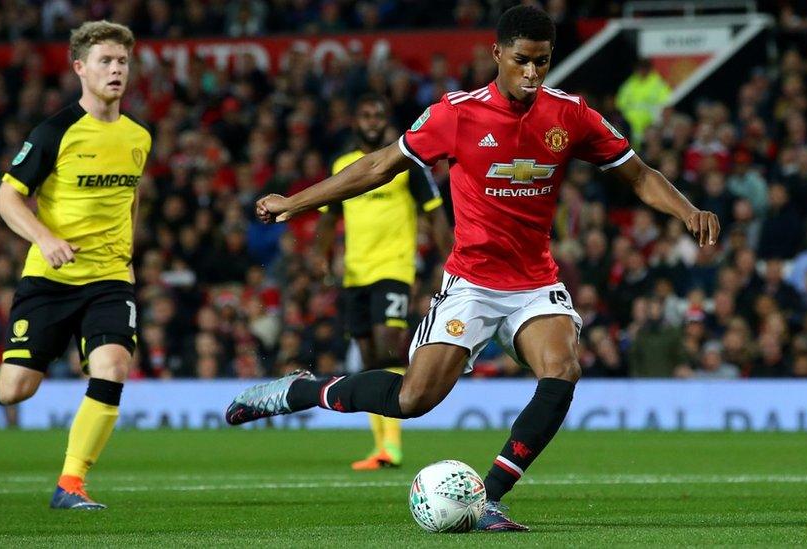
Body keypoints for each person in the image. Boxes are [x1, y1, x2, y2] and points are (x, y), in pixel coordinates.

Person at [226, 5, 719, 532]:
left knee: (563, 368)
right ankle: (302, 390)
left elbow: (638, 175)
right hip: (472, 284)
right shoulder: (454, 114)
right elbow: (374, 167)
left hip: (535, 283)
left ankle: (491, 498)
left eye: (543, 63)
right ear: (497, 55)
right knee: (411, 399)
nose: (532, 74)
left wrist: (688, 209)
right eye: (523, 61)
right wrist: (295, 203)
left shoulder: (571, 114)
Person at [0, 21, 151, 510]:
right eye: (106, 61)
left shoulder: (138, 136)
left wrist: (127, 252)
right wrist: (44, 238)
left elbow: (129, 196)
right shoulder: (54, 132)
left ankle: (71, 483)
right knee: (15, 387)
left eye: (123, 61)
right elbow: (7, 198)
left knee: (113, 366)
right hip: (50, 279)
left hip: (109, 278)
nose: (116, 69)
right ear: (80, 69)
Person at [315, 93, 452, 470]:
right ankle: (381, 447)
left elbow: (436, 215)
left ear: (386, 120)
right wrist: (318, 255)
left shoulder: (406, 163)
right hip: (355, 273)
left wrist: (451, 259)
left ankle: (392, 446)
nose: (372, 120)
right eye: (365, 114)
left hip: (393, 269)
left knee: (388, 346)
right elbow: (328, 216)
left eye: (378, 114)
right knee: (369, 358)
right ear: (356, 120)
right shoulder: (343, 164)